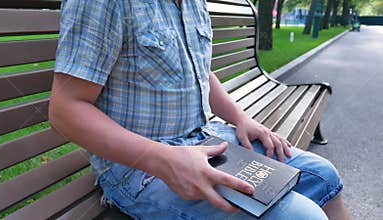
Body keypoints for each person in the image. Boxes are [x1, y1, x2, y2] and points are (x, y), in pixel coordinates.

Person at [49, 0, 350, 219]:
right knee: (301, 216)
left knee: (324, 176)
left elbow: (201, 72)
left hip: (205, 137)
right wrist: (163, 159)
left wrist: (241, 118)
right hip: (139, 169)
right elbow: (65, 110)